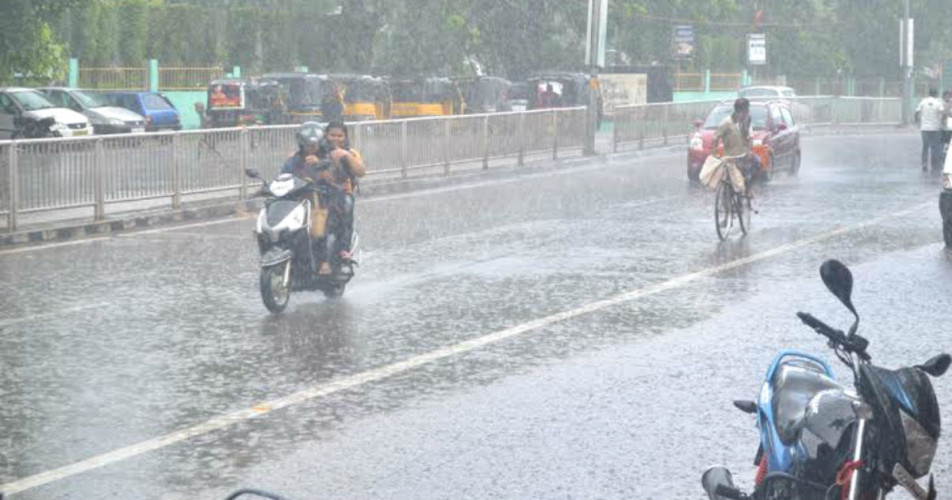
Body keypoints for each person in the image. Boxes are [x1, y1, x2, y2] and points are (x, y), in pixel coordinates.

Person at [320, 121, 366, 271]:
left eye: (340, 136)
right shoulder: (318, 151)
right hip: (317, 192)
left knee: (346, 206)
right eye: (332, 135)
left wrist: (346, 156)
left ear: (345, 137)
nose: (336, 138)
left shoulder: (350, 152)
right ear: (326, 135)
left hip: (342, 192)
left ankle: (344, 250)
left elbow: (361, 171)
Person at [711, 97, 762, 193]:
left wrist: (749, 151)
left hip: (744, 155)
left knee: (758, 163)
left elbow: (750, 137)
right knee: (756, 164)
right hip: (731, 157)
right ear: (743, 111)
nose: (748, 112)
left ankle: (747, 187)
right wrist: (714, 155)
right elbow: (715, 138)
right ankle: (746, 188)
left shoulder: (747, 122)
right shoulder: (726, 122)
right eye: (747, 110)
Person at [915, 88, 945, 172]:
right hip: (935, 128)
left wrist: (918, 122)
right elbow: (942, 113)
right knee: (935, 147)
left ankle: (924, 164)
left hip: (924, 128)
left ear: (929, 93)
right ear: (936, 94)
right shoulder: (938, 102)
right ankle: (934, 164)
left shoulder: (923, 101)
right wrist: (941, 122)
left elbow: (917, 112)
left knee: (925, 146)